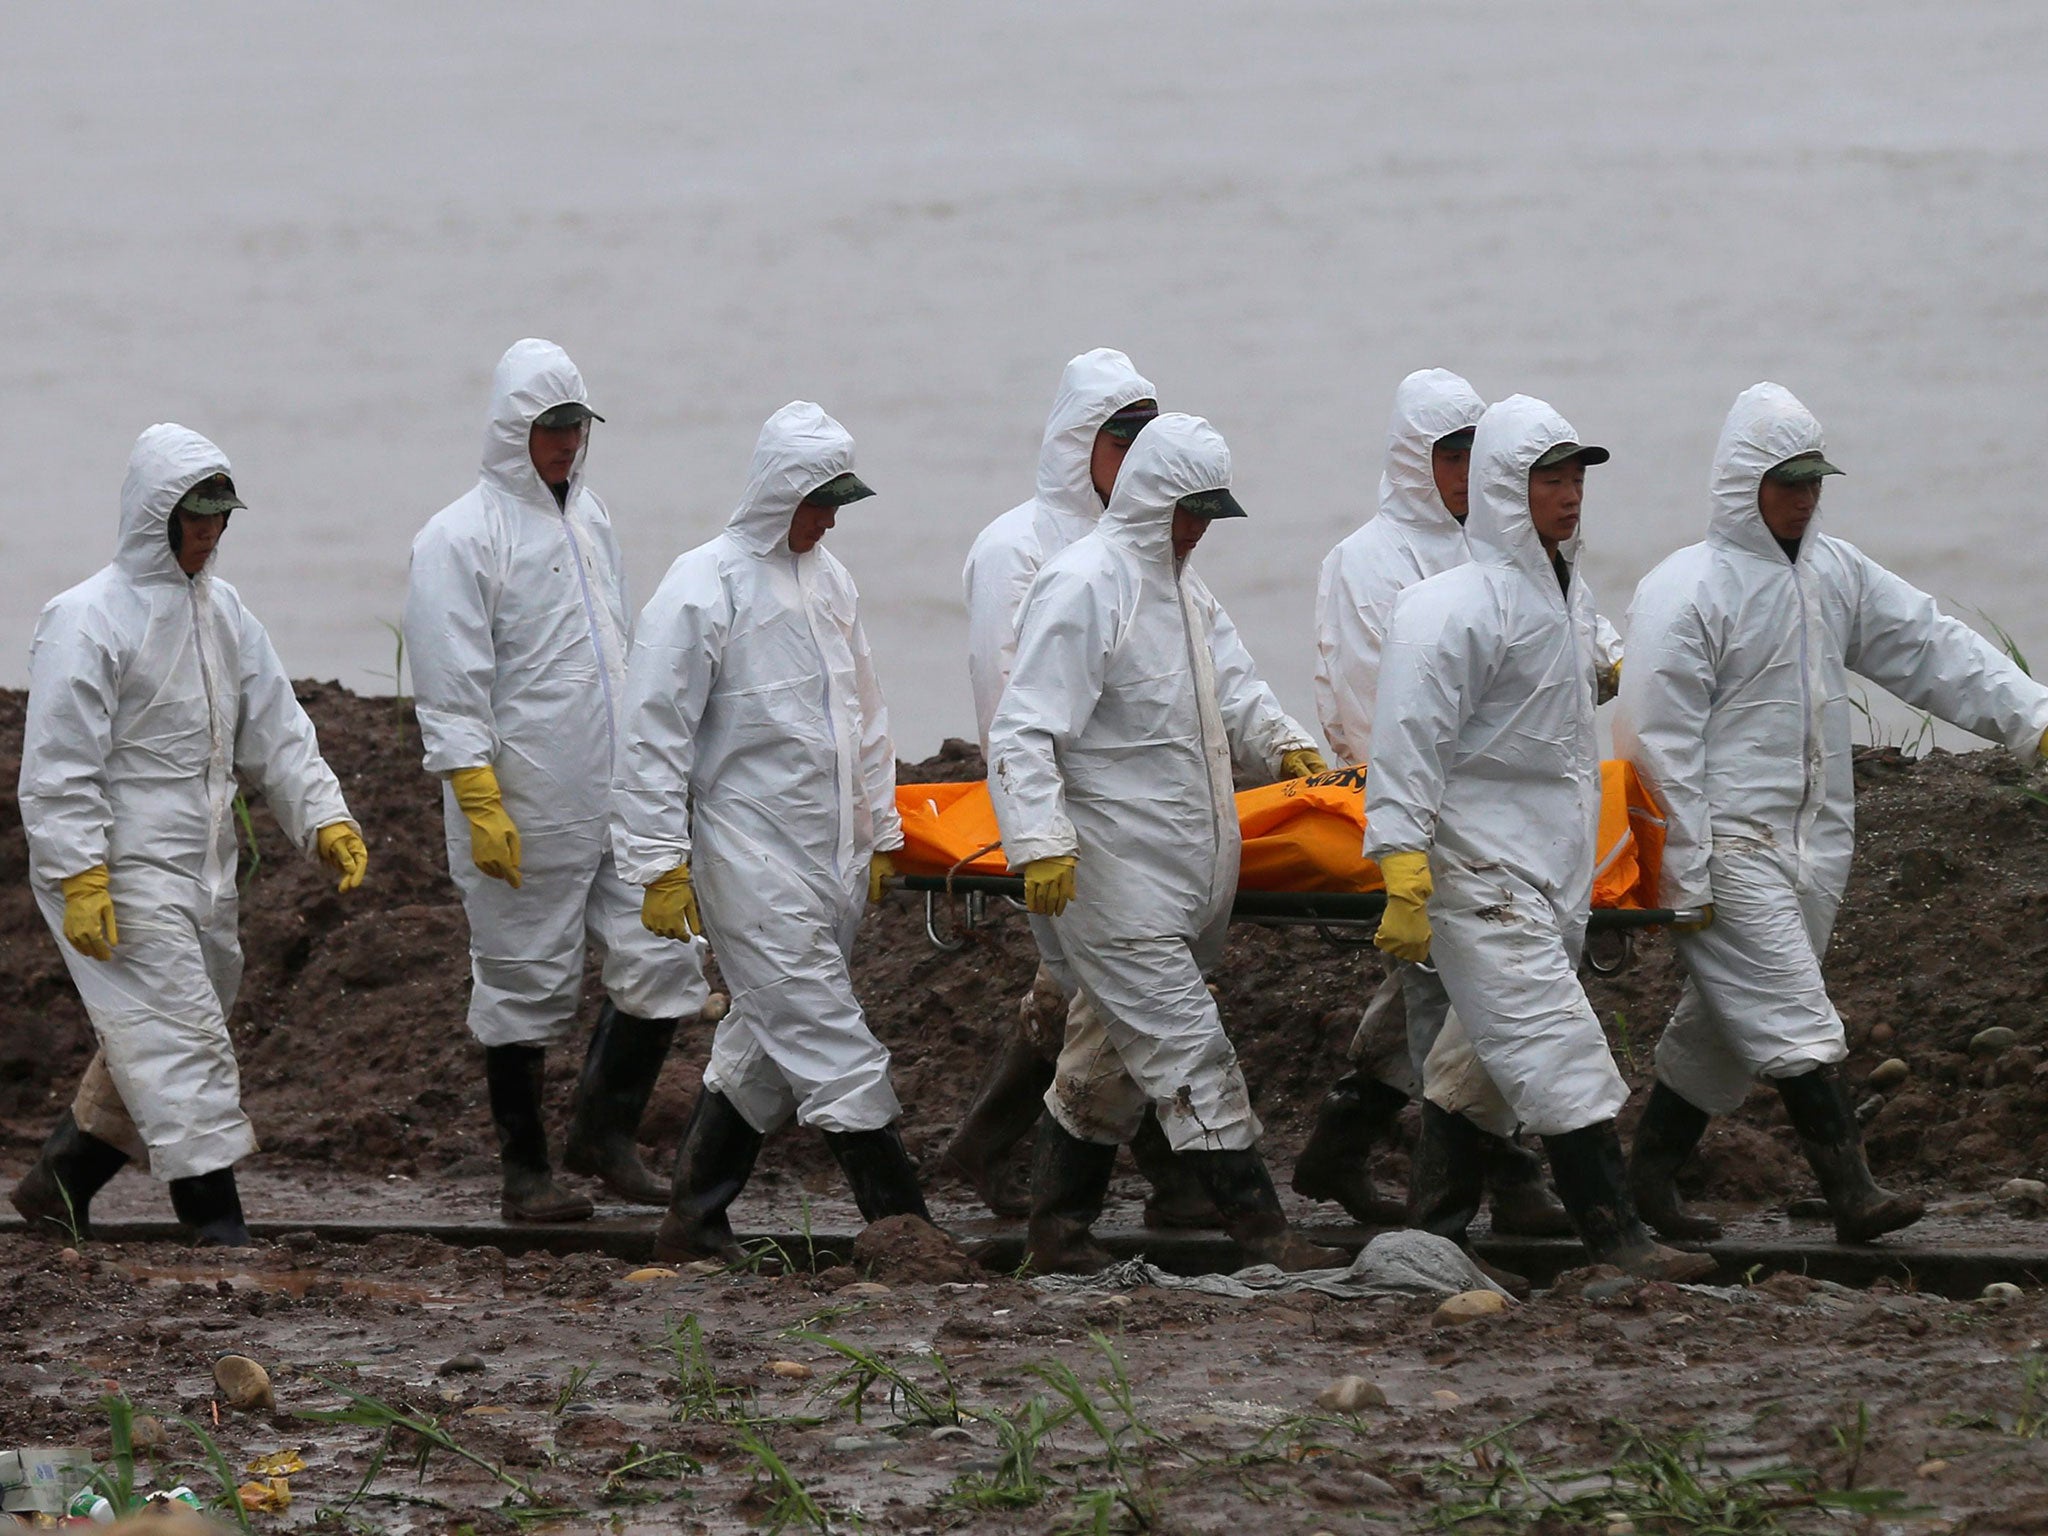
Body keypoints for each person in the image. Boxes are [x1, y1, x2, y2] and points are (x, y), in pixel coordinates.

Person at [1617, 382, 2048, 1243]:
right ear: (1744, 481)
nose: (1806, 496)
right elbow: (1654, 745)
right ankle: (1854, 1197)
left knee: (1729, 1029)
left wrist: (2035, 723)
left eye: (1816, 478)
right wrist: (1684, 870)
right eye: (1789, 479)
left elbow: (1931, 647)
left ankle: (1645, 1186)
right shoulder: (1688, 590)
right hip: (1727, 846)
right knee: (1795, 1015)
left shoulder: (1835, 573)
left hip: (1815, 843)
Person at [1365, 394, 1712, 1282]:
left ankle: (1435, 1237)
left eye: (1575, 478)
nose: (1569, 496)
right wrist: (1402, 861)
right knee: (1559, 1046)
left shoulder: (1561, 590)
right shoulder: (1447, 607)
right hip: (1478, 871)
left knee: (1476, 1062)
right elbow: (1408, 742)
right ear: (1501, 489)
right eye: (1548, 480)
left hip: (1547, 869)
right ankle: (1618, 1240)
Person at [987, 411, 1341, 1275]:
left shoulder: (1185, 591)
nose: (1199, 532)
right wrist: (1041, 843)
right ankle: (1262, 1232)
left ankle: (1055, 1232)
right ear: (1153, 500)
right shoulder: (1086, 585)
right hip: (1111, 875)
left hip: (1178, 872)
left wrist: (1285, 745)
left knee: (1106, 1059)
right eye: (1189, 512)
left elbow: (1237, 689)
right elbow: (1024, 730)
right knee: (1191, 1047)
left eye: (1210, 516)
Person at [9, 425, 368, 1246]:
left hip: (206, 865)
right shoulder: (87, 618)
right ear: (155, 514)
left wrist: (325, 817)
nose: (208, 531)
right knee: (181, 1040)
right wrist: (80, 876)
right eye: (194, 514)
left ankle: (58, 1181)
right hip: (125, 867)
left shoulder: (225, 613)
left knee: (169, 1027)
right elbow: (59, 766)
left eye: (219, 516)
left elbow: (276, 729)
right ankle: (217, 1227)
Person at [617, 401, 931, 1264]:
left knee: (761, 1043)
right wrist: (656, 861)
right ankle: (905, 1233)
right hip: (748, 861)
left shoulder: (830, 581)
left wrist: (882, 829)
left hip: (828, 855)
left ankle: (692, 1219)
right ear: (779, 491)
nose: (830, 518)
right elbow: (650, 732)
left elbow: (865, 715)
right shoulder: (701, 587)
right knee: (834, 1044)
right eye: (820, 499)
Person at [405, 338, 709, 1224]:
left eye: (577, 426)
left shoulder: (592, 519)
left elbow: (619, 651)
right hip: (521, 804)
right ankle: (526, 1173)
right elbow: (450, 677)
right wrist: (476, 794)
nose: (567, 444)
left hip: (614, 792)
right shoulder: (458, 538)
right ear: (512, 430)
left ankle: (602, 1135)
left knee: (666, 959)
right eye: (551, 428)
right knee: (522, 982)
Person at [1298, 368, 1572, 1246]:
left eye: (1473, 452)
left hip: (1498, 824)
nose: (1463, 470)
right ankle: (1502, 1186)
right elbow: (1369, 706)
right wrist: (1400, 832)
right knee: (1440, 1000)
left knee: (1446, 995)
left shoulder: (1497, 550)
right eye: (1448, 454)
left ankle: (1341, 1147)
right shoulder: (1364, 561)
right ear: (1416, 460)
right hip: (1415, 820)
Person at [946, 348, 1215, 1229]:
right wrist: (1041, 833)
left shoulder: (1151, 547)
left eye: (1147, 436)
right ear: (1078, 443)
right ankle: (1181, 1184)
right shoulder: (1015, 549)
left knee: (1095, 998)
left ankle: (990, 1141)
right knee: (1118, 999)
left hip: (1134, 827)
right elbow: (1009, 709)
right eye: (1119, 436)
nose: (1134, 455)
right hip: (1065, 827)